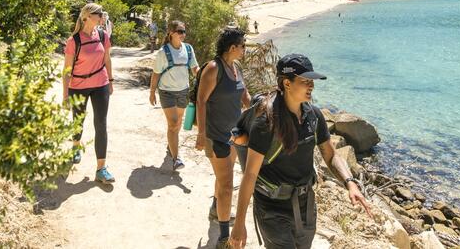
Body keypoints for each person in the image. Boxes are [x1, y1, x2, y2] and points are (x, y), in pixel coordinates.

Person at [230, 54, 371, 249]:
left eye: (312, 81)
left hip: (306, 206)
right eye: (305, 81)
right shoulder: (267, 122)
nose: (311, 86)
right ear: (287, 83)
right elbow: (250, 174)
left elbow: (330, 156)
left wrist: (350, 183)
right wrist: (239, 224)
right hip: (272, 208)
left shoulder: (314, 116)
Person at [196, 27, 251, 248]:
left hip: (234, 136)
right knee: (227, 183)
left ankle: (216, 207)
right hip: (216, 135)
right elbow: (201, 101)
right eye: (243, 46)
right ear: (232, 48)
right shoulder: (213, 68)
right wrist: (201, 133)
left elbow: (245, 96)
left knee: (223, 178)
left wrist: (264, 113)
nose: (245, 50)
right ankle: (223, 237)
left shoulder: (236, 67)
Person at [63, 3, 115, 184]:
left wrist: (110, 80)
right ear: (87, 16)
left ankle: (101, 169)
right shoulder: (74, 41)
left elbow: (107, 58)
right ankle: (76, 146)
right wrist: (65, 95)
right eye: (98, 13)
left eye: (101, 13)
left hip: (100, 84)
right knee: (78, 120)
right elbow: (67, 71)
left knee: (101, 124)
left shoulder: (103, 35)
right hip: (78, 86)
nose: (102, 16)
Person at [149, 20, 199, 171]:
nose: (183, 34)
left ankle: (171, 145)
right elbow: (156, 74)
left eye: (184, 31)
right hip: (167, 92)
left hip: (183, 91)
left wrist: (205, 78)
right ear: (171, 33)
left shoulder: (188, 49)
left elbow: (195, 68)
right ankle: (176, 159)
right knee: (173, 123)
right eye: (180, 31)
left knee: (177, 125)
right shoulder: (163, 52)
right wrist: (152, 92)